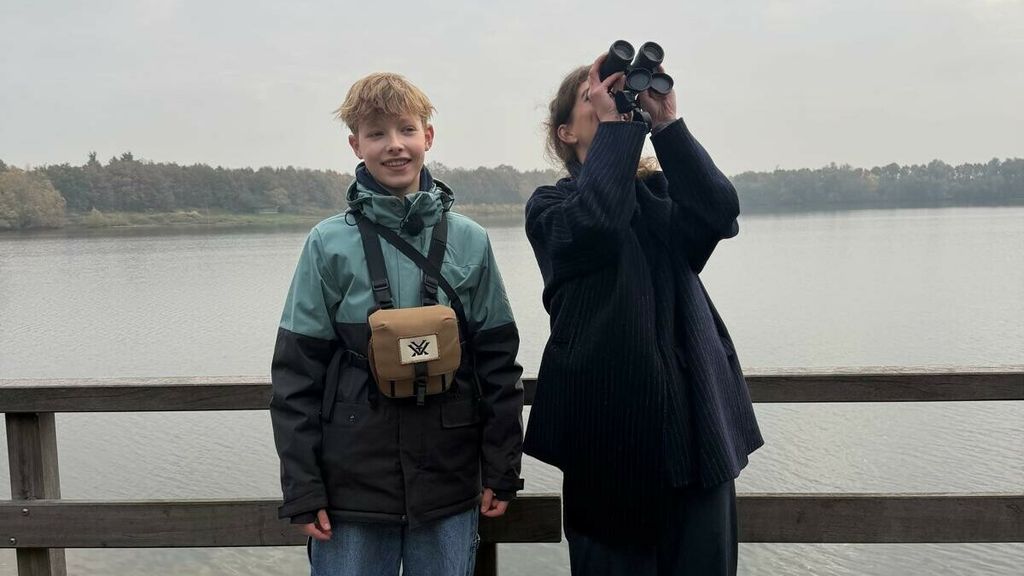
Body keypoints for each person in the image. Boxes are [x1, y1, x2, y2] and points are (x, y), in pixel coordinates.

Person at [270, 72, 524, 576]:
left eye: (406, 130)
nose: (395, 146)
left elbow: (498, 363)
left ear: (427, 136)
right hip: (350, 492)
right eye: (377, 134)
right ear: (355, 145)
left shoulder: (470, 240)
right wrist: (303, 488)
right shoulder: (327, 244)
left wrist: (502, 469)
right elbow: (296, 375)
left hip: (449, 485)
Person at [523, 53, 764, 576]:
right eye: (595, 96)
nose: (612, 101)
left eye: (619, 93)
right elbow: (599, 220)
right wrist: (616, 130)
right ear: (565, 132)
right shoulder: (549, 209)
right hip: (608, 450)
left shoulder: (661, 197)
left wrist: (668, 126)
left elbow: (721, 213)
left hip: (699, 440)